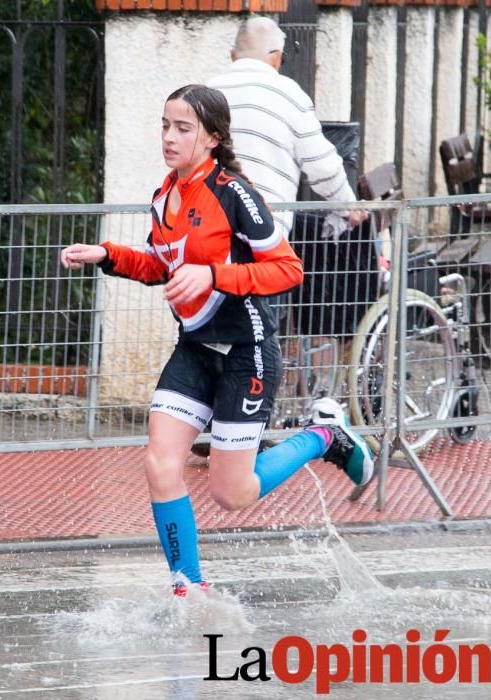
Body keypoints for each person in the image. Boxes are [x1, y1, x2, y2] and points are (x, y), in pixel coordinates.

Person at [60, 84, 374, 597]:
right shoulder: (164, 195)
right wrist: (106, 254)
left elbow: (288, 269)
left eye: (183, 128)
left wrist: (215, 275)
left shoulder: (236, 194)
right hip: (195, 349)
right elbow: (161, 266)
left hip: (246, 352)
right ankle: (190, 586)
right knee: (159, 463)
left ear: (212, 138)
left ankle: (324, 437)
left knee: (233, 493)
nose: (169, 136)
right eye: (165, 125)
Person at [207, 16, 366, 239]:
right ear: (277, 58)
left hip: (207, 226)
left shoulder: (207, 92)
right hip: (263, 232)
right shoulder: (289, 95)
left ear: (232, 55)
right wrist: (348, 207)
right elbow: (323, 168)